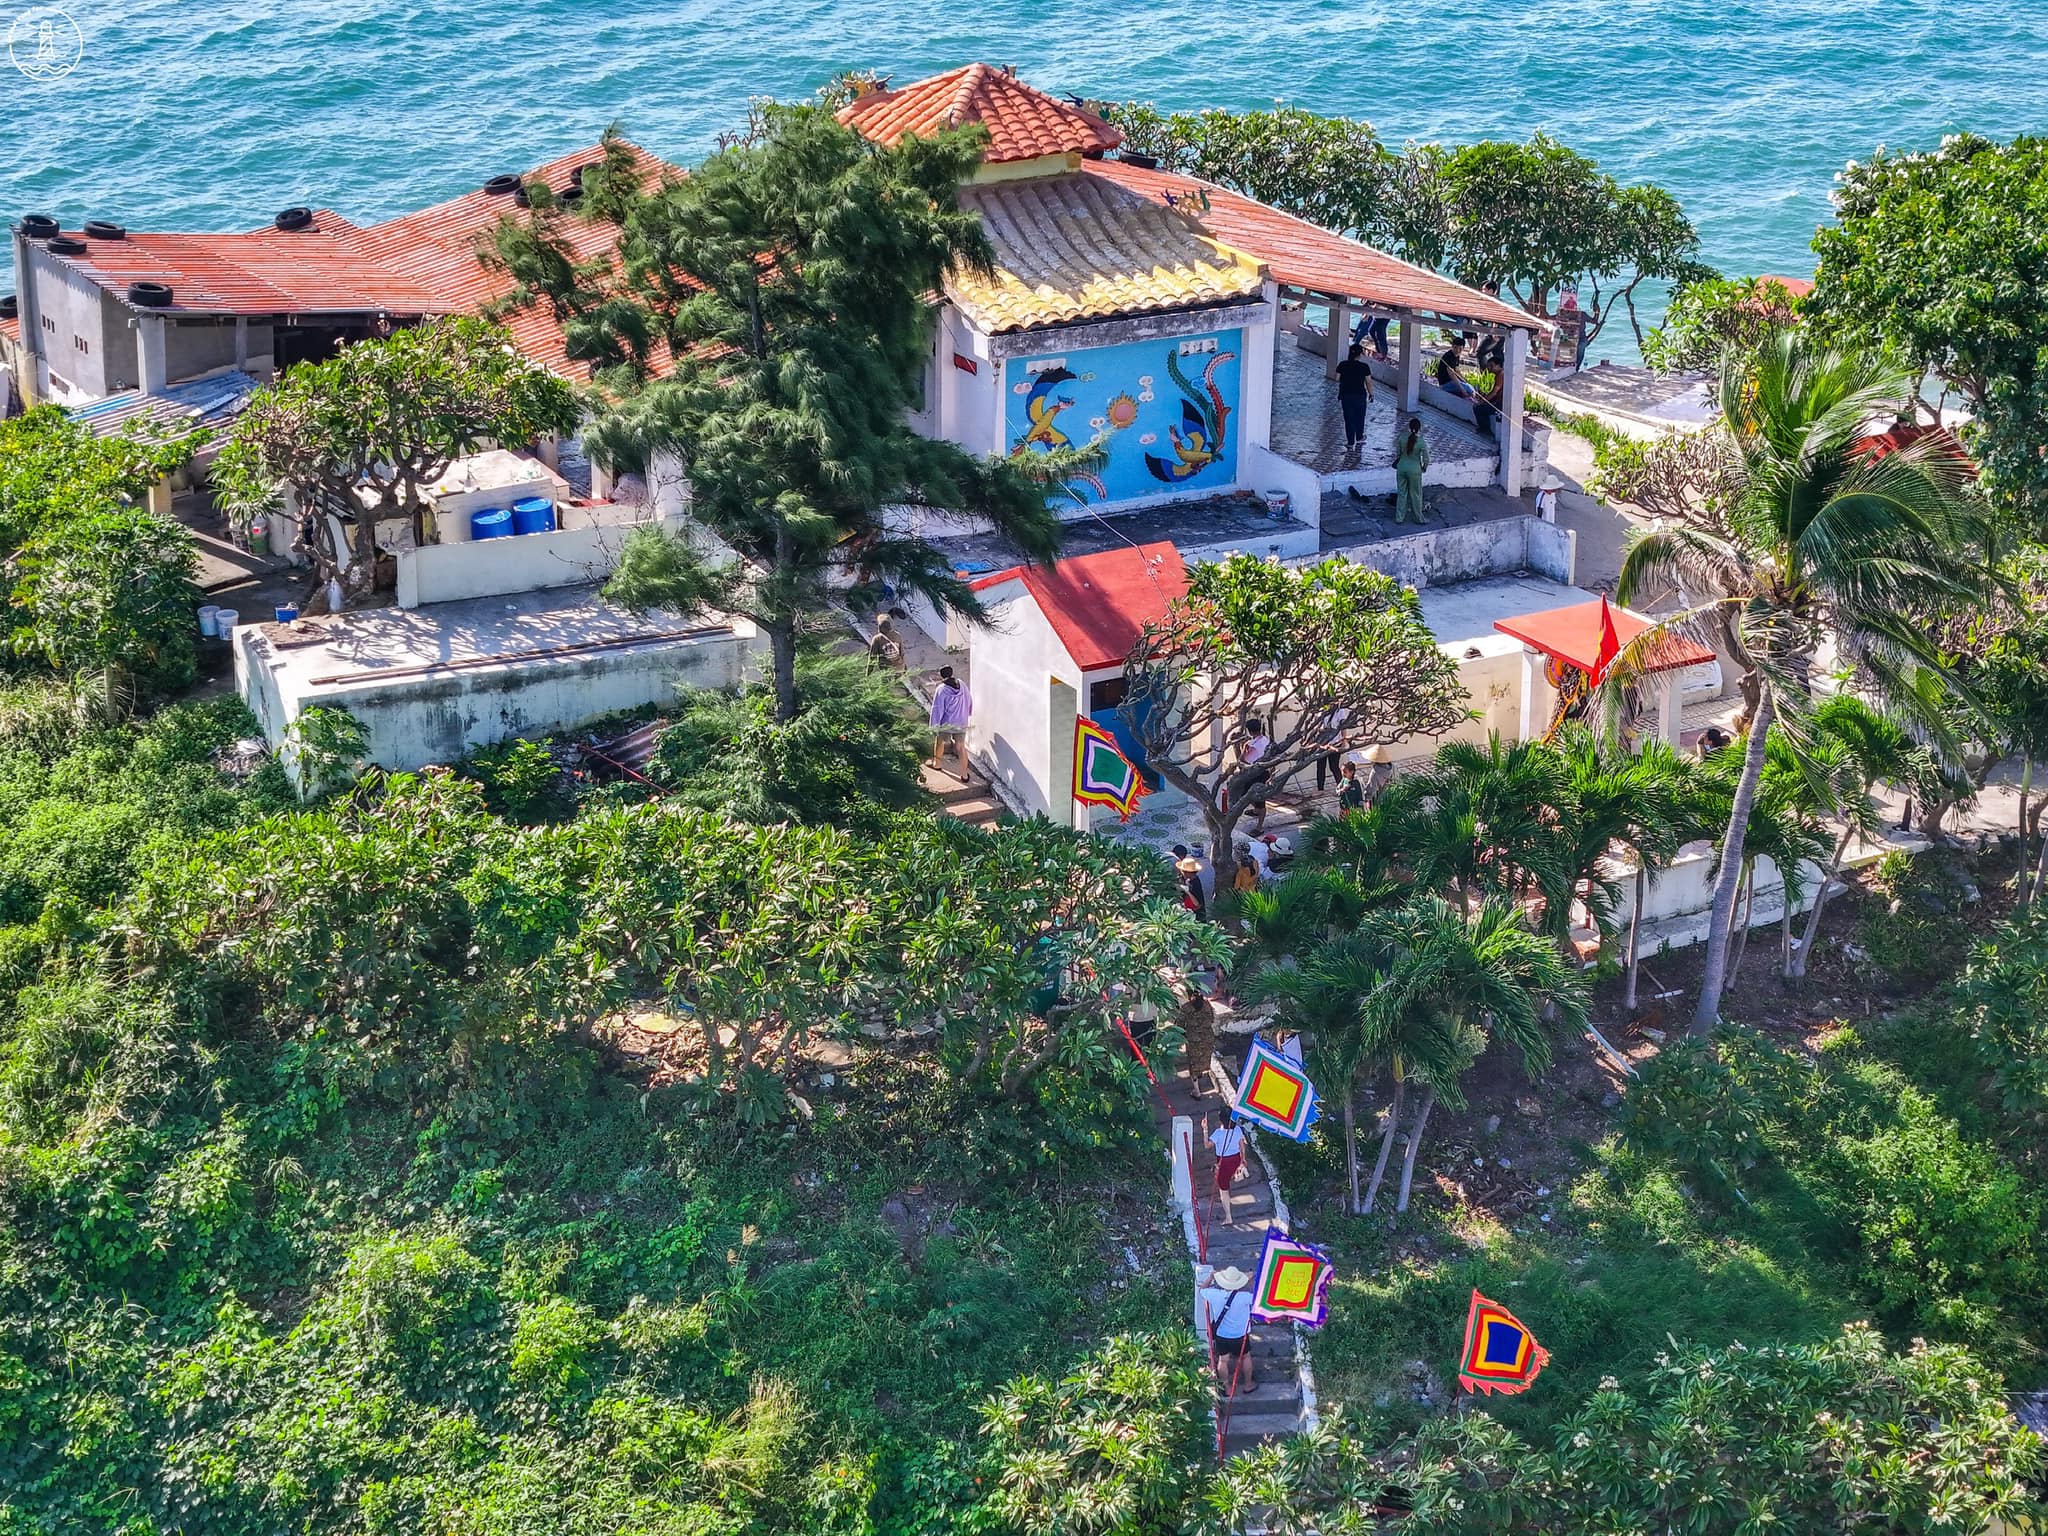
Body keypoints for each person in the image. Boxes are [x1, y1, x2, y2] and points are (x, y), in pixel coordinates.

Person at [1197, 1263, 1257, 1390]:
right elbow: (1258, 1297)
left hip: (1221, 1334)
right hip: (1241, 1335)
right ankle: (1248, 1384)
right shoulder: (1244, 1297)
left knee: (1223, 1360)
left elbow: (1201, 1289)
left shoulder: (1214, 1294)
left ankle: (1226, 1387)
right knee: (1245, 1357)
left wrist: (1211, 1277)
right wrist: (1250, 1281)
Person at [928, 666, 973, 781]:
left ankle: (937, 764)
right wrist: (968, 713)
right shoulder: (961, 684)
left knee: (940, 742)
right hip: (961, 722)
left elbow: (937, 709)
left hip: (947, 723)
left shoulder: (941, 689)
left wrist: (934, 725)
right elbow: (969, 699)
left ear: (941, 676)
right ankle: (964, 775)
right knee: (961, 747)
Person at [1335, 342, 1374, 455]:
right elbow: (1369, 383)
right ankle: (1360, 437)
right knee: (1360, 417)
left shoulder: (1342, 365)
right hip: (1360, 396)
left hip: (1346, 395)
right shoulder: (1364, 367)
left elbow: (1336, 378)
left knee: (1348, 418)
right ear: (1359, 355)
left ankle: (1350, 441)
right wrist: (1371, 394)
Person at [1208, 1116, 1247, 1223]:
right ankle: (1234, 1175)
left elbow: (1207, 1145)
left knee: (1223, 1190)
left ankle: (1228, 1217)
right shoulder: (1238, 1129)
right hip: (1236, 1159)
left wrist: (1204, 1130)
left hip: (1223, 1162)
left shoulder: (1218, 1133)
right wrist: (1243, 1159)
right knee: (1230, 1175)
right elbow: (1242, 1146)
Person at [1178, 986, 1217, 1092]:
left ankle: (1197, 1092)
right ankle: (1200, 1074)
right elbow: (1212, 1019)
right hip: (1208, 1037)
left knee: (1193, 1063)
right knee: (1204, 1058)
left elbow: (1179, 1025)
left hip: (1193, 1040)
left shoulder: (1186, 1007)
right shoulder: (1207, 1005)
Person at [1394, 417, 1429, 524]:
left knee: (1401, 493)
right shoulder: (1421, 441)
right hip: (1415, 470)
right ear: (1419, 428)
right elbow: (1426, 458)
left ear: (1409, 427)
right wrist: (1424, 467)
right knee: (1416, 494)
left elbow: (1398, 454)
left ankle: (1399, 518)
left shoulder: (1402, 438)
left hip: (1401, 467)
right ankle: (1419, 518)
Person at [1314, 704, 1351, 791]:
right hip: (1322, 743)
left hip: (1335, 742)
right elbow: (1315, 725)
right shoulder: (1320, 709)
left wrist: (1344, 740)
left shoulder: (1340, 711)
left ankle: (1341, 787)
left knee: (1334, 766)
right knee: (1320, 766)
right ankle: (1320, 789)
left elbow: (1343, 727)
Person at [1177, 853, 1208, 920]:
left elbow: (1197, 904)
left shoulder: (1195, 884)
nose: (1182, 872)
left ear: (1190, 872)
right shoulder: (1184, 878)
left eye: (1184, 871)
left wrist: (1187, 891)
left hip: (1196, 914)